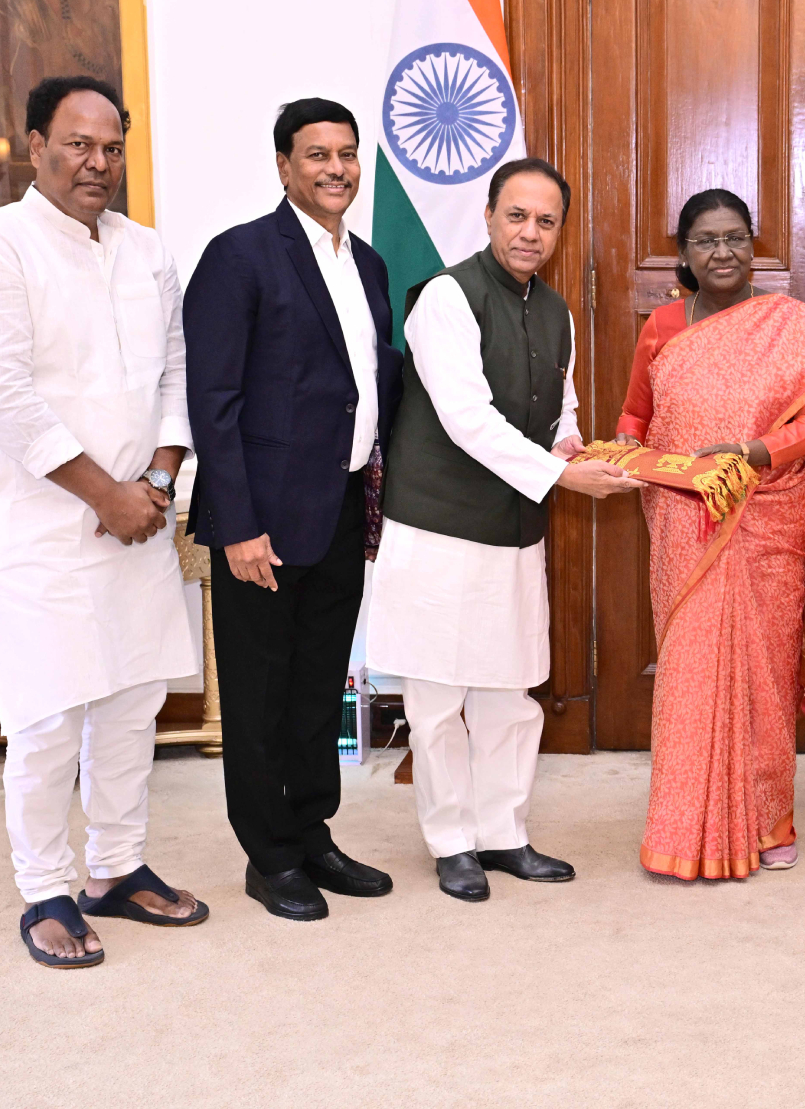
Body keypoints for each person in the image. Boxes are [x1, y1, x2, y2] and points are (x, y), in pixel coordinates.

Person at [367, 158, 637, 901]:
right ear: (488, 216)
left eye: (546, 221)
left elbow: (564, 411)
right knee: (437, 700)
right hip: (438, 530)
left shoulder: (556, 312)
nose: (530, 232)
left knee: (510, 694)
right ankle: (451, 842)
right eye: (517, 215)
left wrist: (575, 450)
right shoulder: (445, 298)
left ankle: (503, 834)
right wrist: (561, 477)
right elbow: (466, 420)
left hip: (515, 533)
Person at [0, 76, 207, 968]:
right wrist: (103, 494)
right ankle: (42, 887)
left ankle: (114, 870)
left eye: (111, 146)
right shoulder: (7, 245)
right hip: (49, 525)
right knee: (49, 716)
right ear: (34, 145)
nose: (98, 162)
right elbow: (8, 395)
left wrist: (156, 479)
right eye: (78, 143)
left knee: (132, 705)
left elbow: (176, 370)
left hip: (142, 516)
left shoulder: (147, 249)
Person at [184, 99, 403, 921]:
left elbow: (367, 385)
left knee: (318, 687)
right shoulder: (241, 257)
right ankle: (267, 853)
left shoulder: (371, 264)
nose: (336, 169)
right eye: (317, 155)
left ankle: (312, 832)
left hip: (342, 507)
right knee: (259, 691)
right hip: (263, 522)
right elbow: (216, 402)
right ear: (284, 166)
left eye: (347, 154)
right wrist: (237, 524)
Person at [616, 188, 805, 880]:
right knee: (690, 673)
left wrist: (752, 454)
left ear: (753, 243)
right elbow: (636, 416)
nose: (721, 251)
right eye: (705, 240)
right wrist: (624, 456)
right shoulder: (664, 325)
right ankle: (679, 825)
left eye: (733, 237)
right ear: (685, 253)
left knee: (764, 671)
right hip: (681, 521)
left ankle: (769, 819)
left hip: (767, 516)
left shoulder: (792, 327)